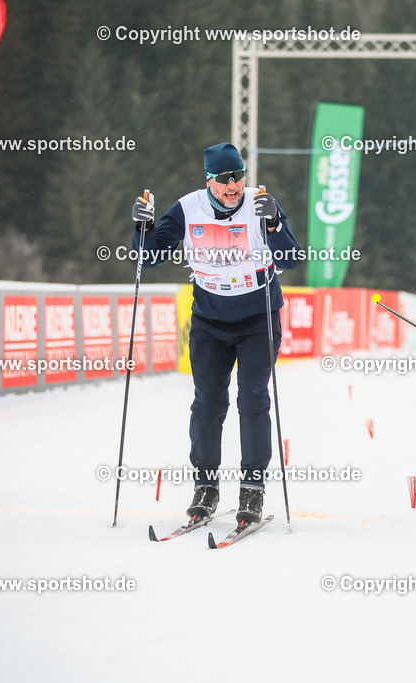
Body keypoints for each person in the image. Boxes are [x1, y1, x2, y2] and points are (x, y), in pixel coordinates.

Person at [129, 143, 301, 526]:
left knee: (252, 398)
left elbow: (291, 259)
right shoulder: (188, 208)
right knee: (207, 402)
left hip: (258, 318)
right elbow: (150, 256)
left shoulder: (261, 204)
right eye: (224, 178)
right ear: (209, 180)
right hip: (209, 320)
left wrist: (274, 224)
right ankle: (206, 486)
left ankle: (252, 489)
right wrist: (142, 227)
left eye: (238, 175)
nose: (233, 185)